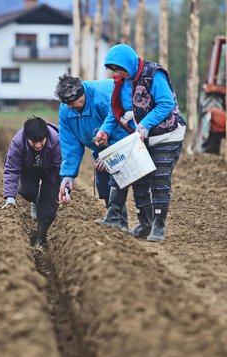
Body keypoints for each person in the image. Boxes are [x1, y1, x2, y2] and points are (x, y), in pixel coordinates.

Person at [94, 43, 186, 242]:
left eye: (121, 69)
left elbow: (166, 103)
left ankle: (158, 227)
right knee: (140, 178)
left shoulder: (153, 74)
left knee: (159, 179)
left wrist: (144, 125)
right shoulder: (121, 82)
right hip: (140, 136)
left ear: (129, 63)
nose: (118, 73)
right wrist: (104, 131)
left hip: (166, 134)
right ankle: (145, 223)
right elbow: (115, 111)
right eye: (115, 70)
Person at [54, 73, 130, 230]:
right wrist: (68, 175)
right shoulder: (66, 109)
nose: (69, 107)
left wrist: (110, 155)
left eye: (73, 102)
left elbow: (121, 128)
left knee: (119, 178)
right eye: (66, 104)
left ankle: (126, 221)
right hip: (100, 147)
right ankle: (117, 220)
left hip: (125, 141)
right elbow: (70, 143)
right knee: (102, 184)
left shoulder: (102, 98)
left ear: (81, 93)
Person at [2, 116, 62, 247]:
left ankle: (40, 239)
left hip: (51, 171)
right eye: (33, 142)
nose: (38, 145)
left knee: (49, 207)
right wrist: (10, 198)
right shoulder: (18, 142)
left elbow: (62, 168)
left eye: (41, 141)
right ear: (27, 138)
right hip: (29, 169)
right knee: (27, 191)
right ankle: (35, 201)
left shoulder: (57, 140)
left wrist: (65, 189)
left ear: (46, 135)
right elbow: (11, 170)